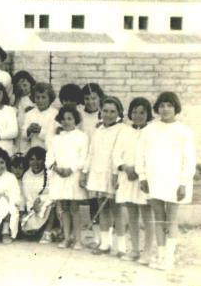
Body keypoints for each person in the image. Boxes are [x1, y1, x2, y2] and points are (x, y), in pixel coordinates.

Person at [137, 92, 195, 270]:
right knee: (159, 218)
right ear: (157, 108)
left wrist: (183, 182)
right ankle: (161, 255)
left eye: (169, 105)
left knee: (171, 219)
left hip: (175, 180)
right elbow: (140, 155)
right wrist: (142, 176)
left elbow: (189, 159)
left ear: (176, 108)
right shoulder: (149, 130)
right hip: (154, 178)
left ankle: (169, 258)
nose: (165, 109)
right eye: (162, 105)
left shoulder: (183, 131)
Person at [82, 96, 125, 256]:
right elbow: (91, 153)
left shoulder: (122, 129)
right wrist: (85, 172)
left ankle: (121, 247)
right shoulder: (98, 130)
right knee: (103, 209)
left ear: (119, 112)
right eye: (105, 111)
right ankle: (105, 244)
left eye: (112, 111)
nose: (108, 114)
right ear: (101, 111)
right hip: (98, 173)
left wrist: (116, 174)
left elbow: (119, 154)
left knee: (117, 210)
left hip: (113, 174)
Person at [113, 98, 154, 263]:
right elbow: (116, 154)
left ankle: (148, 251)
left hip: (144, 179)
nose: (138, 115)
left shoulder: (151, 132)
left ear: (148, 114)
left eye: (142, 112)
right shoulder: (124, 132)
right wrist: (124, 167)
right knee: (132, 215)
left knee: (147, 215)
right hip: (127, 177)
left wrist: (139, 171)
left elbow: (153, 156)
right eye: (135, 112)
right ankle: (135, 250)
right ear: (130, 113)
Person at [46, 107, 88, 249]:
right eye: (63, 119)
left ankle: (78, 239)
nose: (66, 121)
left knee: (74, 208)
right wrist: (56, 168)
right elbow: (49, 157)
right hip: (59, 175)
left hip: (73, 175)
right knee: (64, 207)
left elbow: (83, 157)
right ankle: (66, 237)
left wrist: (71, 169)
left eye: (69, 118)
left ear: (75, 120)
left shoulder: (82, 137)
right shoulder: (55, 139)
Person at [20, 147, 55, 242]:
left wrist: (40, 200)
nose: (35, 163)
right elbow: (26, 197)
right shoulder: (26, 176)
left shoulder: (49, 174)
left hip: (46, 206)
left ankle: (48, 232)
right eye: (32, 159)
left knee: (51, 205)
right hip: (33, 210)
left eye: (39, 159)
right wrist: (31, 208)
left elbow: (51, 193)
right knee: (28, 232)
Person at [20, 83, 58, 151]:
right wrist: (28, 130)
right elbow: (23, 135)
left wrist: (40, 131)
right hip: (33, 150)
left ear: (50, 98)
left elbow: (54, 136)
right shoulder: (29, 114)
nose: (40, 100)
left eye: (43, 97)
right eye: (37, 97)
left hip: (49, 151)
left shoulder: (55, 114)